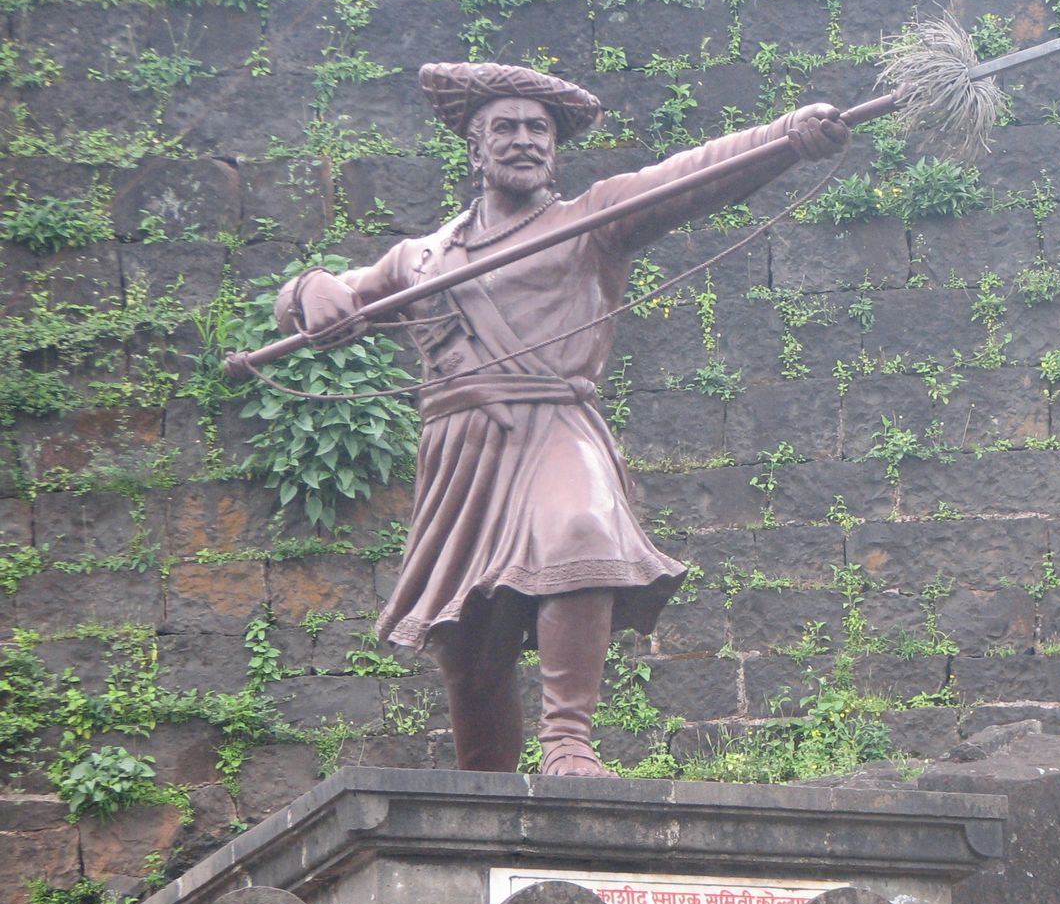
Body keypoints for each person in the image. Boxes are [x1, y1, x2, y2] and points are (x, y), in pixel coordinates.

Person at [277, 61, 849, 776]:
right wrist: (311, 288)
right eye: (505, 128)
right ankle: (483, 786)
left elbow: (691, 176)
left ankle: (568, 743)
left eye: (538, 129)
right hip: (461, 448)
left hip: (555, 422)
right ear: (475, 149)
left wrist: (789, 137)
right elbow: (337, 297)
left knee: (581, 527)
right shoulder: (418, 259)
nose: (524, 141)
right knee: (471, 639)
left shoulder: (592, 222)